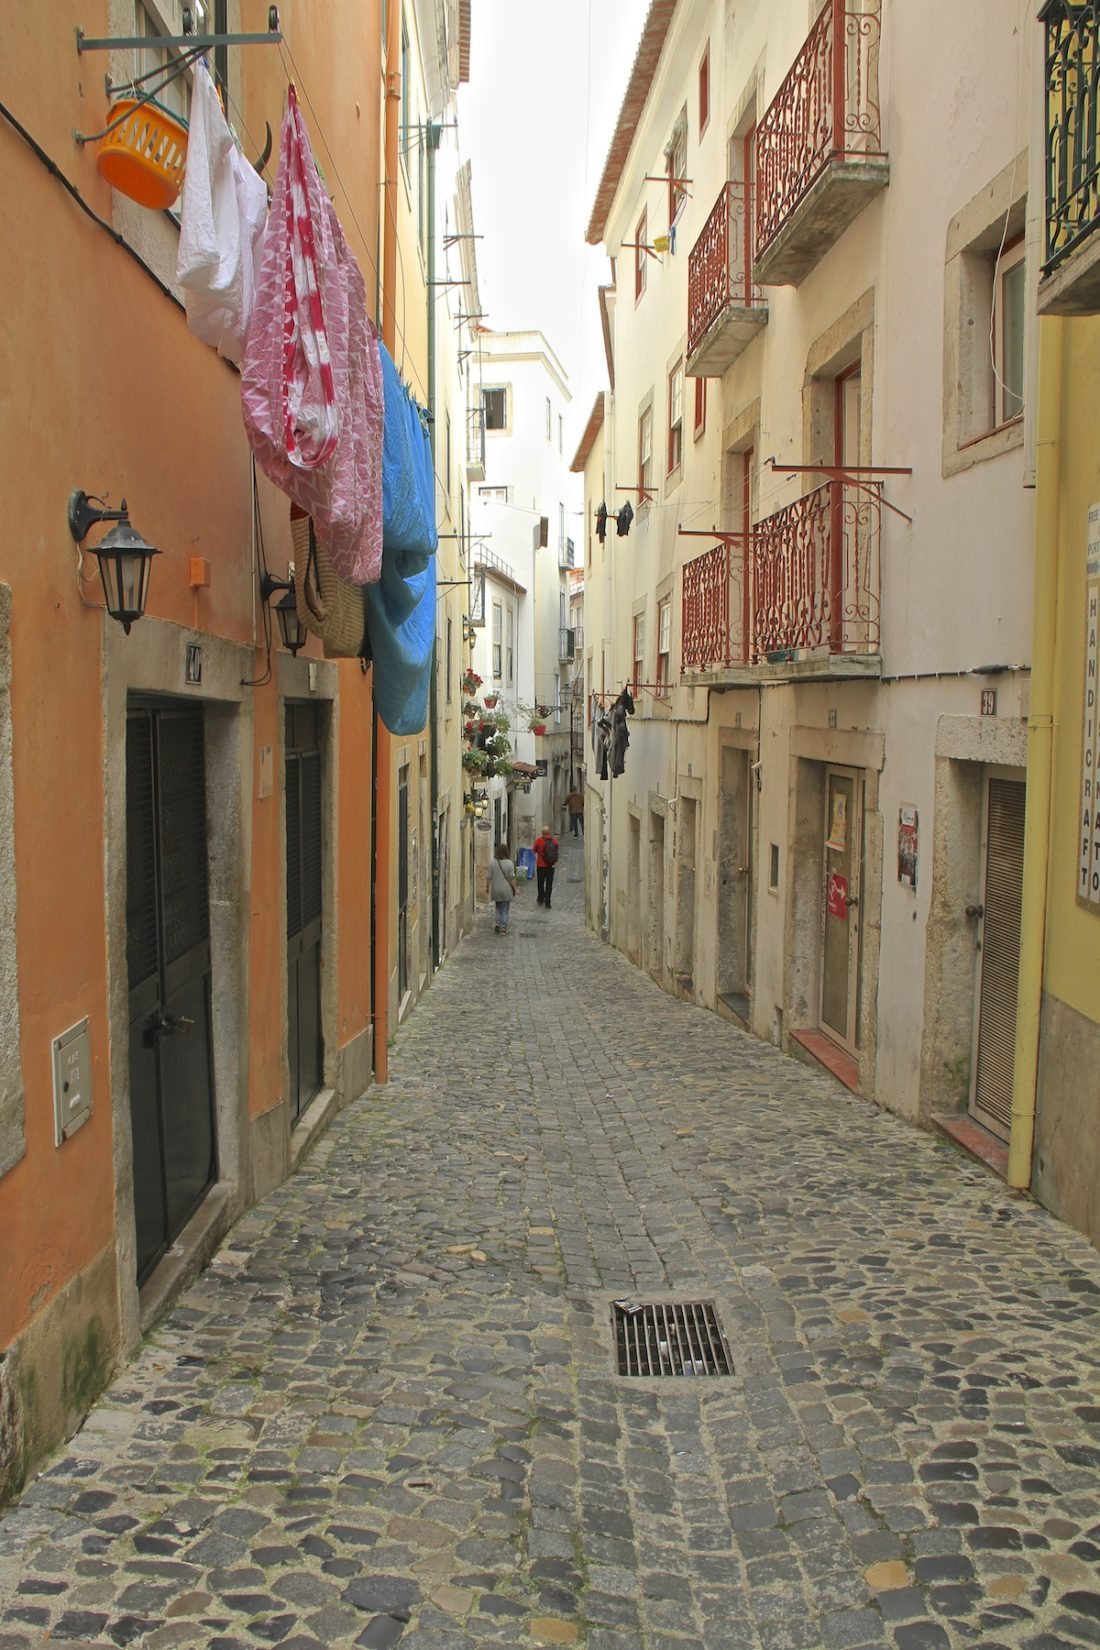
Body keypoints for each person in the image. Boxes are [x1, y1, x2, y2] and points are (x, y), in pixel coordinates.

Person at [489, 840, 518, 934]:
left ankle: (497, 923)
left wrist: (486, 887)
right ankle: (504, 928)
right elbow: (512, 877)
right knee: (505, 909)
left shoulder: (492, 862)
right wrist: (515, 888)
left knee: (498, 906)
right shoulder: (509, 863)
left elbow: (489, 876)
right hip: (506, 889)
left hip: (496, 889)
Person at [533, 824, 559, 909]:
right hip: (550, 865)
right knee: (549, 884)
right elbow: (556, 849)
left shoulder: (539, 841)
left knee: (540, 883)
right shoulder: (554, 841)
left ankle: (541, 898)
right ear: (549, 832)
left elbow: (534, 850)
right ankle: (548, 902)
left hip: (541, 865)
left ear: (542, 832)